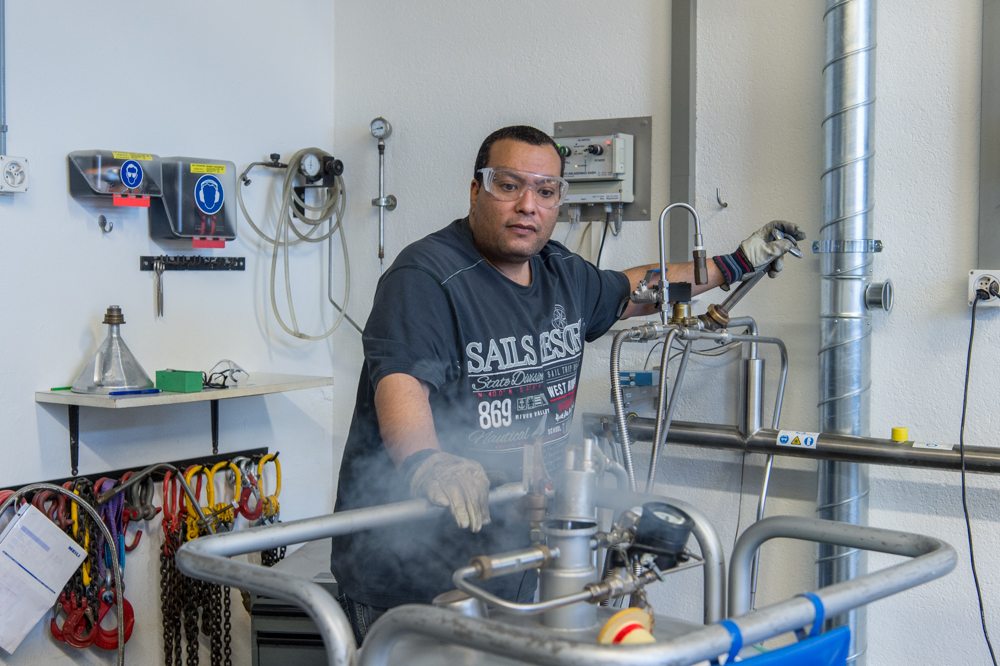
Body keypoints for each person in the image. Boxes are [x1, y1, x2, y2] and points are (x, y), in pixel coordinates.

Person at [330, 125, 804, 644]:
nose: (528, 205)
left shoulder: (561, 274)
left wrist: (735, 263)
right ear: (475, 190)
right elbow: (401, 383)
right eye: (509, 186)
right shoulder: (425, 277)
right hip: (411, 574)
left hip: (512, 556)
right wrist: (429, 461)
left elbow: (637, 290)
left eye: (546, 191)